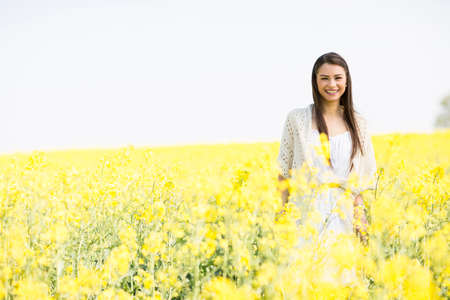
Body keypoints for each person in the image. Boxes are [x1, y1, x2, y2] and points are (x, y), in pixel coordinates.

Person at [276, 52, 377, 247]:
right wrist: (281, 216)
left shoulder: (359, 124)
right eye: (325, 78)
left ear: (346, 81)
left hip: (345, 215)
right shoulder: (297, 120)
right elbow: (283, 172)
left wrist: (360, 218)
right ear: (315, 82)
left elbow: (362, 180)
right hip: (305, 215)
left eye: (338, 78)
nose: (332, 84)